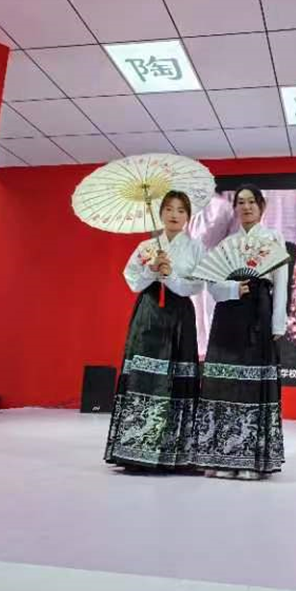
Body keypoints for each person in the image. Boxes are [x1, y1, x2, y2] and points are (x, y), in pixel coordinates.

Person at [104, 190, 205, 471]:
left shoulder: (196, 247)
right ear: (160, 213)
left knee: (175, 378)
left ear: (188, 216)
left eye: (181, 210)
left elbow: (197, 285)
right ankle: (135, 450)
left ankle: (175, 454)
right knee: (144, 377)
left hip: (179, 315)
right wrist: (151, 271)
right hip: (149, 313)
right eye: (169, 209)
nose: (174, 215)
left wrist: (171, 276)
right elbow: (133, 281)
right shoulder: (145, 247)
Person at [194, 185, 287, 480]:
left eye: (251, 202)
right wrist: (233, 289)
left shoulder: (273, 239)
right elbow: (213, 286)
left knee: (250, 385)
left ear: (261, 206)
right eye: (241, 202)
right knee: (224, 384)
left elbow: (281, 283)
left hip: (258, 313)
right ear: (234, 208)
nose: (246, 207)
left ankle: (249, 460)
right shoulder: (227, 243)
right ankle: (220, 457)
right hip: (228, 315)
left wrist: (278, 323)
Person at [188, 194, 236, 359]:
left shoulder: (195, 205)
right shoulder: (223, 206)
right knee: (206, 306)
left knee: (203, 306)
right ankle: (209, 347)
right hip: (213, 260)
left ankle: (204, 347)